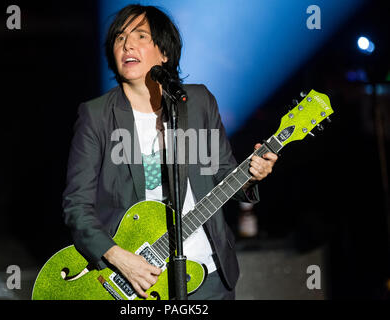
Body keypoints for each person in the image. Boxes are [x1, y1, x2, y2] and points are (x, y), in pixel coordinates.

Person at [62, 4, 278, 300]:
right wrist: (119, 257)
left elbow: (224, 174)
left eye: (140, 36)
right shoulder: (97, 115)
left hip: (208, 273)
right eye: (119, 38)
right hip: (135, 280)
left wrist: (253, 176)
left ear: (164, 53)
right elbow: (77, 207)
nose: (127, 44)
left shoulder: (198, 102)